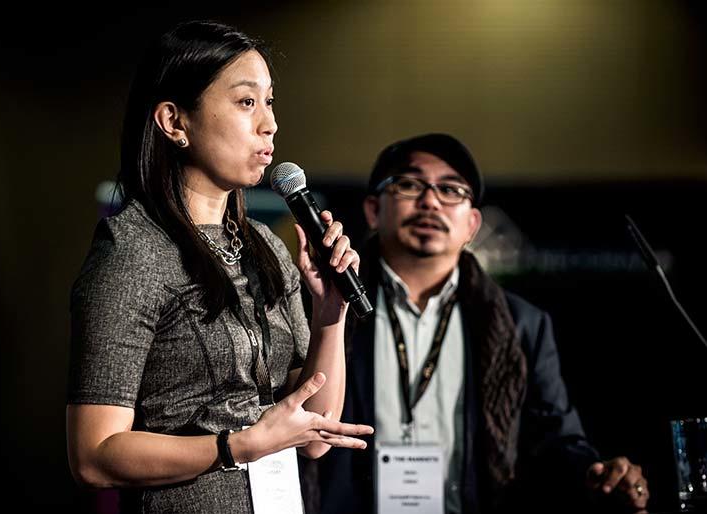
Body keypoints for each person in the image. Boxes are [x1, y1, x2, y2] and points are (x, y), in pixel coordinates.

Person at [65, 20, 372, 514]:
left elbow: (315, 433)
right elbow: (93, 455)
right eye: (246, 102)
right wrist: (238, 446)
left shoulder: (268, 249)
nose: (269, 124)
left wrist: (329, 313)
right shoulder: (133, 251)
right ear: (174, 121)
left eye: (269, 102)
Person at [311, 133, 649, 514]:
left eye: (452, 190)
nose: (431, 201)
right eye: (409, 184)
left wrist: (596, 473)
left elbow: (557, 438)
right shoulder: (328, 307)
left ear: (472, 224)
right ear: (373, 210)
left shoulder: (522, 325)